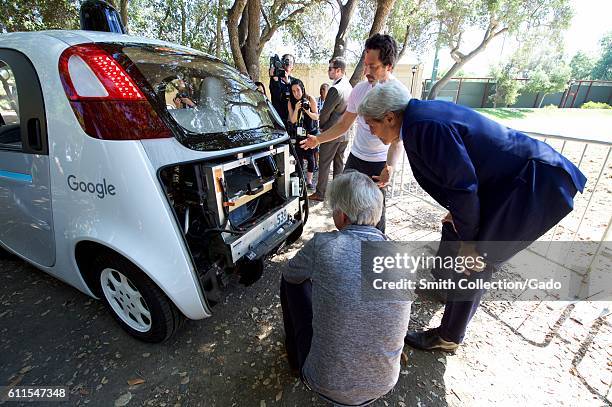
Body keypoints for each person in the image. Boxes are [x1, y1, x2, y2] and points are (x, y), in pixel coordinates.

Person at [356, 80, 587, 352]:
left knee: (476, 258)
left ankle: (449, 336)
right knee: (456, 231)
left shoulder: (422, 126)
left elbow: (463, 186)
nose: (371, 131)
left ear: (389, 117)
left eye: (371, 124)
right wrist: (458, 214)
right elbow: (461, 177)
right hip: (507, 183)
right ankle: (447, 288)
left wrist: (469, 240)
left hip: (534, 185)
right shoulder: (418, 118)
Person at [280, 171, 411, 406]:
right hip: (383, 383)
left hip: (323, 381)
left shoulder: (322, 245)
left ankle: (294, 358)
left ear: (341, 216)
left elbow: (291, 273)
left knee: (290, 279)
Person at [301, 34, 410, 232]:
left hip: (379, 163)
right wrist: (318, 139)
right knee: (344, 207)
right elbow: (344, 125)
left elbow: (397, 140)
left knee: (375, 214)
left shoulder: (400, 95)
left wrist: (390, 168)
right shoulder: (359, 90)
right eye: (366, 65)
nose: (367, 71)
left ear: (389, 67)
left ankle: (374, 253)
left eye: (373, 66)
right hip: (356, 158)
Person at [309, 57, 352, 202]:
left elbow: (325, 112)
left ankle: (320, 193)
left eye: (330, 69)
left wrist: (321, 127)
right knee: (339, 165)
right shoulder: (349, 87)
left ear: (338, 70)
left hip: (331, 133)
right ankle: (338, 194)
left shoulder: (335, 89)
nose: (328, 71)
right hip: (344, 133)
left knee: (324, 163)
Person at [288, 79, 319, 189]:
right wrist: (296, 109)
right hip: (298, 134)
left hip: (310, 133)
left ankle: (309, 181)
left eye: (298, 90)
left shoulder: (310, 98)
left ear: (303, 89)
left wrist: (307, 111)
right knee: (299, 158)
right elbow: (292, 120)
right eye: (293, 91)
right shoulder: (291, 102)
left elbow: (316, 116)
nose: (296, 93)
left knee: (311, 158)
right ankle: (300, 180)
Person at [269, 54, 297, 125]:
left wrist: (288, 83)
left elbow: (297, 98)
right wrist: (275, 78)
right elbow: (276, 96)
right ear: (282, 63)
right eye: (286, 61)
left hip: (292, 120)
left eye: (290, 62)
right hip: (278, 120)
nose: (288, 64)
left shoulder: (295, 82)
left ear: (293, 66)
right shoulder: (275, 80)